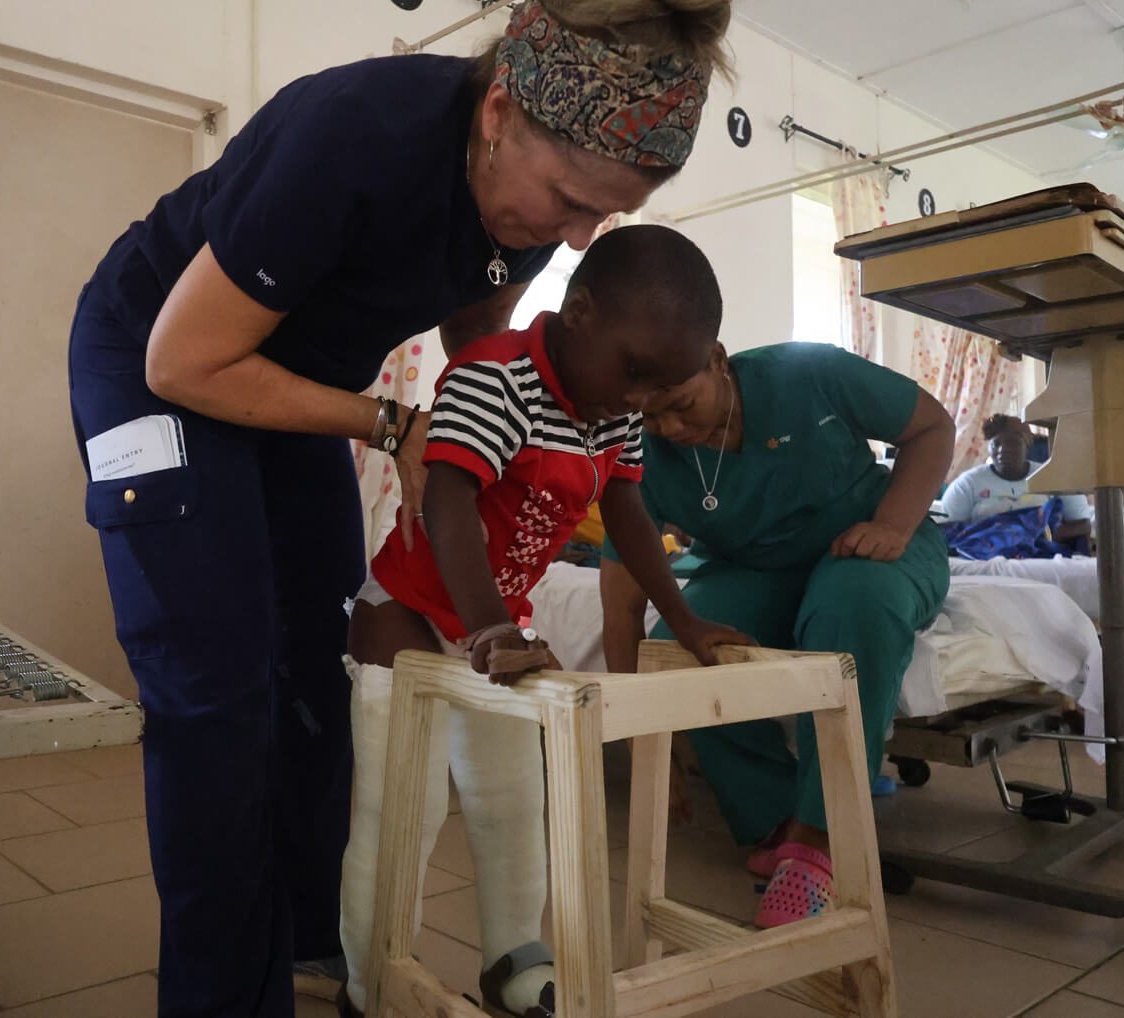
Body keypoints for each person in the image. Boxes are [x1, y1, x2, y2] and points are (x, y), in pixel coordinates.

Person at [64, 2, 733, 1013]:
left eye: (607, 215)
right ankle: (221, 998)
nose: (580, 236)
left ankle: (311, 935)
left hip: (294, 379)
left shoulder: (536, 214)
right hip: (158, 358)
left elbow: (481, 345)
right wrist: (387, 425)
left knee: (324, 656)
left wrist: (503, 452)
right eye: (568, 201)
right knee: (218, 691)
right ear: (499, 110)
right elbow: (184, 358)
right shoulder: (354, 138)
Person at [340, 226, 750, 1017]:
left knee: (510, 801)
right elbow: (452, 501)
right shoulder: (493, 377)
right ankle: (372, 984)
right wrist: (489, 627)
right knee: (402, 813)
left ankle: (512, 961)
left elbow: (628, 512)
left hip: (495, 627)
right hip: (408, 617)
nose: (636, 400)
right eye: (633, 373)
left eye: (654, 389)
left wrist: (683, 618)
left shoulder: (610, 406)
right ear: (579, 310)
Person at [599, 341, 954, 928]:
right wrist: (639, 743)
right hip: (758, 570)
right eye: (650, 416)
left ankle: (822, 838)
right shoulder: (643, 449)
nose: (670, 427)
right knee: (678, 644)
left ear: (716, 359)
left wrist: (893, 524)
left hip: (866, 543)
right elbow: (621, 609)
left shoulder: (806, 374)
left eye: (681, 405)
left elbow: (931, 426)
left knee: (853, 601)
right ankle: (776, 818)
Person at [941, 414, 1092, 543]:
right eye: (996, 444)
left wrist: (1037, 536)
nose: (1003, 450)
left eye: (1013, 443)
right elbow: (948, 530)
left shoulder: (1056, 478)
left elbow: (1083, 525)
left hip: (1044, 557)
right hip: (984, 557)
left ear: (1027, 446)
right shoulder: (967, 484)